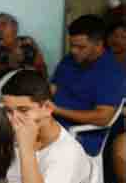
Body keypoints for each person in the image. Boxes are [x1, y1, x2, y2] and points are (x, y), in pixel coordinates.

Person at [1, 70, 93, 183]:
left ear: (48, 108)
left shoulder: (67, 152)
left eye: (23, 110)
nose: (13, 119)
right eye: (8, 111)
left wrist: (26, 147)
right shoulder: (13, 134)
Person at [51, 15, 126, 156]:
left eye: (81, 47)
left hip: (80, 134)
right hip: (51, 121)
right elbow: (52, 89)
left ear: (98, 45)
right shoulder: (69, 60)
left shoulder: (112, 72)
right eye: (72, 45)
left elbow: (103, 117)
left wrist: (56, 110)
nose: (74, 51)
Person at [0, 12, 47, 79]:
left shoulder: (27, 42)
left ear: (15, 26)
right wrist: (9, 64)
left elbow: (41, 66)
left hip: (30, 81)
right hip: (3, 83)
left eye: (3, 24)